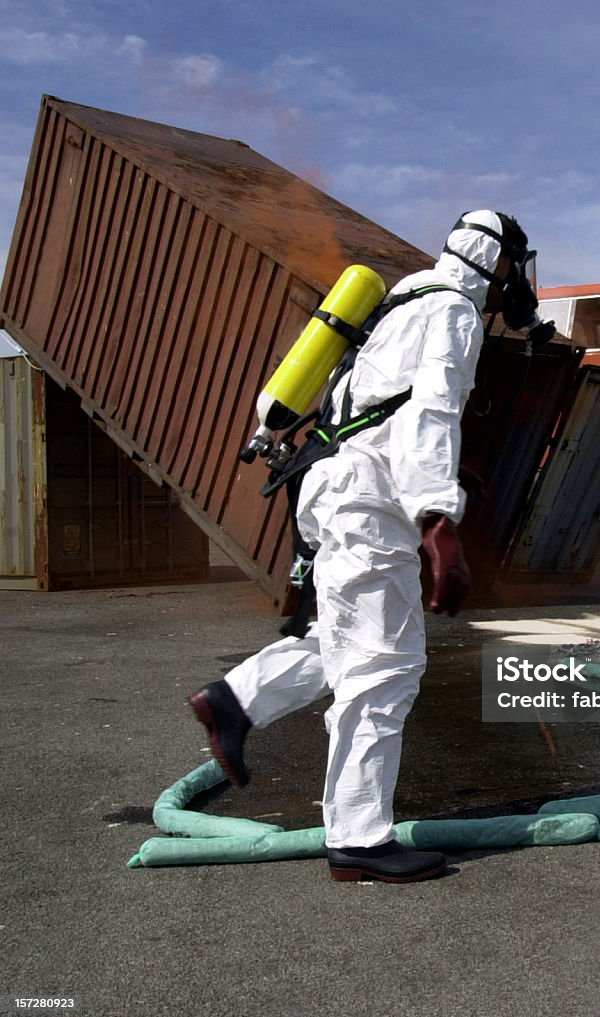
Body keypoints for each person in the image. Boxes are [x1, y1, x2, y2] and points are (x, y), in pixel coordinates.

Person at [189, 210, 547, 883]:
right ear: (500, 263)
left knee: (347, 638)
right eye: (514, 268)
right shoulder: (454, 313)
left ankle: (235, 701)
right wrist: (439, 520)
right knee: (386, 665)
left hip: (334, 487)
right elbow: (430, 413)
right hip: (369, 502)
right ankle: (357, 837)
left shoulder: (405, 295)